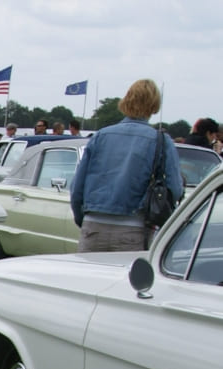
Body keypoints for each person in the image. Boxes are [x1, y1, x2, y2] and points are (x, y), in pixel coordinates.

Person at [69, 78, 182, 253]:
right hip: (135, 229)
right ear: (154, 105)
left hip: (93, 226)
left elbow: (77, 188)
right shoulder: (161, 141)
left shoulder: (100, 136)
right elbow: (175, 189)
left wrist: (82, 218)